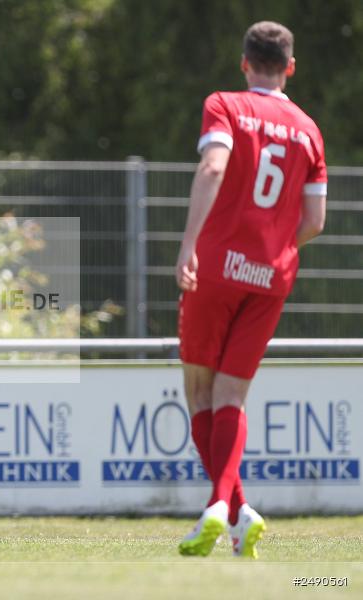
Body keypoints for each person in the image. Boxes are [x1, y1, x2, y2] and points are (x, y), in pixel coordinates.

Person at [175, 21, 327, 559]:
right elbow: (315, 221)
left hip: (216, 266)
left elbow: (214, 166)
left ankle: (221, 505)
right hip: (271, 273)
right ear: (289, 67)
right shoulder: (309, 129)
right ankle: (239, 516)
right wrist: (272, 246)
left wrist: (189, 244)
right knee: (232, 396)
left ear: (244, 63)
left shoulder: (225, 105)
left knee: (199, 393)